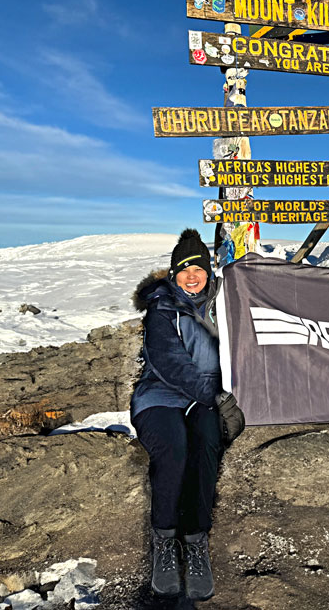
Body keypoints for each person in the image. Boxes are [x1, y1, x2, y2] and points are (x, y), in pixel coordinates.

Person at [130, 228, 222, 600]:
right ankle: (165, 540)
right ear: (173, 273)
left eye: (198, 268)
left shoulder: (224, 302)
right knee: (174, 450)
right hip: (161, 396)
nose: (192, 276)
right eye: (184, 269)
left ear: (208, 271)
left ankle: (196, 541)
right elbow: (169, 362)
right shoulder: (161, 308)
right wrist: (214, 395)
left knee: (206, 448)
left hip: (207, 398)